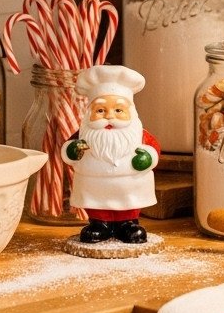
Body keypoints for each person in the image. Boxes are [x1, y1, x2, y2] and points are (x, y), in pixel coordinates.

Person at [61, 63, 160, 244]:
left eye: (118, 110)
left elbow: (154, 148)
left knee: (128, 202)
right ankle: (100, 224)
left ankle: (128, 223)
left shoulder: (137, 134)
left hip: (129, 187)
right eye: (100, 110)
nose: (109, 116)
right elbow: (68, 149)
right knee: (97, 202)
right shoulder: (85, 135)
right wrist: (73, 150)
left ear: (130, 112)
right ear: (89, 113)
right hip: (94, 186)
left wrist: (147, 158)